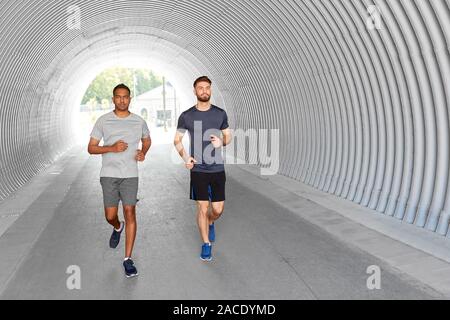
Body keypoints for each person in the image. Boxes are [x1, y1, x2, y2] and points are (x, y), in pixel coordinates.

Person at [88, 83, 151, 277]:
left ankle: (127, 259)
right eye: (118, 96)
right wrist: (111, 148)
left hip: (130, 174)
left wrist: (143, 152)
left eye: (125, 96)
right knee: (110, 216)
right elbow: (91, 148)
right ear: (113, 98)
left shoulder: (139, 121)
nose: (122, 100)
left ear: (130, 99)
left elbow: (147, 140)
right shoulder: (103, 121)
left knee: (130, 211)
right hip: (109, 174)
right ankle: (117, 226)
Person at [174, 76, 232, 261]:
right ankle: (206, 243)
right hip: (198, 170)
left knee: (217, 209)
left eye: (207, 88)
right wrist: (186, 157)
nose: (204, 91)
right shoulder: (186, 116)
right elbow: (177, 140)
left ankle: (211, 222)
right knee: (202, 207)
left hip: (217, 169)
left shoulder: (220, 114)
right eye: (201, 88)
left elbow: (228, 137)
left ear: (211, 90)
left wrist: (221, 142)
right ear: (194, 91)